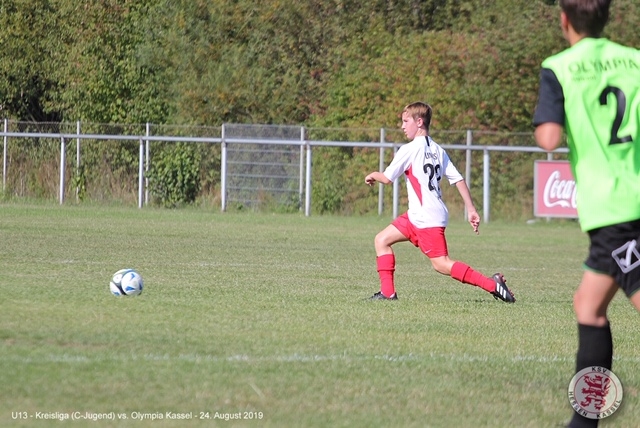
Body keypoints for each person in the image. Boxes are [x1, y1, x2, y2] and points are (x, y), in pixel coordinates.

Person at [533, 1, 640, 427]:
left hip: (617, 208)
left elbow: (549, 138)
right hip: (624, 204)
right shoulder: (634, 61)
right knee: (588, 306)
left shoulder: (558, 67)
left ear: (564, 20)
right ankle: (584, 421)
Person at [364, 101, 516, 303]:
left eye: (406, 121)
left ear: (419, 122)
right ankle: (387, 293)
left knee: (442, 264)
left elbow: (387, 178)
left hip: (426, 218)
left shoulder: (409, 149)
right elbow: (458, 179)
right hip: (418, 215)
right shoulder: (438, 150)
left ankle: (493, 285)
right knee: (381, 240)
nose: (402, 126)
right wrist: (471, 209)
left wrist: (373, 175)